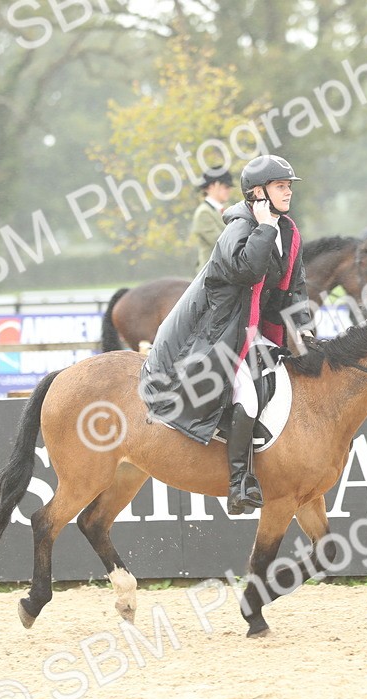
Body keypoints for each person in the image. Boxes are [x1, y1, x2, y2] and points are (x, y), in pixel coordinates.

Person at [141, 155, 314, 514]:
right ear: (258, 193)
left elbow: (294, 288)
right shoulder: (238, 228)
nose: (288, 192)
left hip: (254, 332)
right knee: (248, 397)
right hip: (219, 336)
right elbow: (248, 271)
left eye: (289, 186)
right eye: (281, 186)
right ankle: (240, 483)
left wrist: (307, 331)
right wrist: (264, 227)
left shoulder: (288, 232)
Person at [189, 168, 234, 271]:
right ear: (213, 186)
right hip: (212, 272)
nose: (229, 190)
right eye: (226, 187)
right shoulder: (203, 213)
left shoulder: (228, 209)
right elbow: (221, 243)